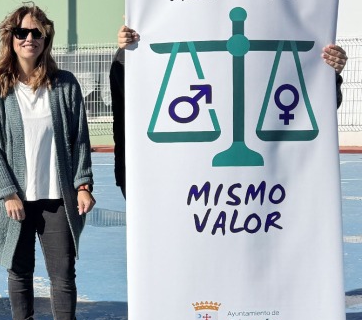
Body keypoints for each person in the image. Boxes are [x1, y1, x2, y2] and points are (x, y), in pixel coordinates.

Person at [0, 4, 94, 320]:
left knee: (63, 275)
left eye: (36, 33)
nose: (29, 38)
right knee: (20, 272)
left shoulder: (65, 85)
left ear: (46, 39)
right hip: (17, 201)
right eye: (21, 32)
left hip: (57, 198)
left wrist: (83, 184)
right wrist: (7, 192)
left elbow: (79, 139)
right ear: (10, 38)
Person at [113, 26, 349, 196]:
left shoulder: (274, 68)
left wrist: (325, 73)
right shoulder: (176, 71)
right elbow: (131, 102)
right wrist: (130, 52)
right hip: (190, 184)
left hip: (265, 187)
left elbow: (312, 108)